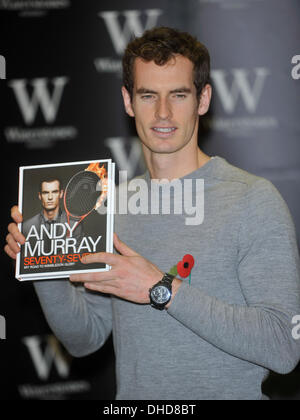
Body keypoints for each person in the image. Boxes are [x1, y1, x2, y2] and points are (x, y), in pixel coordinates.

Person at [5, 27, 300, 400]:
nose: (163, 113)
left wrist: (161, 289)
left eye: (179, 94)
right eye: (148, 95)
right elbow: (84, 339)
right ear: (128, 101)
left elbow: (283, 346)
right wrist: (44, 265)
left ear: (203, 99)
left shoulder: (253, 199)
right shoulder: (109, 206)